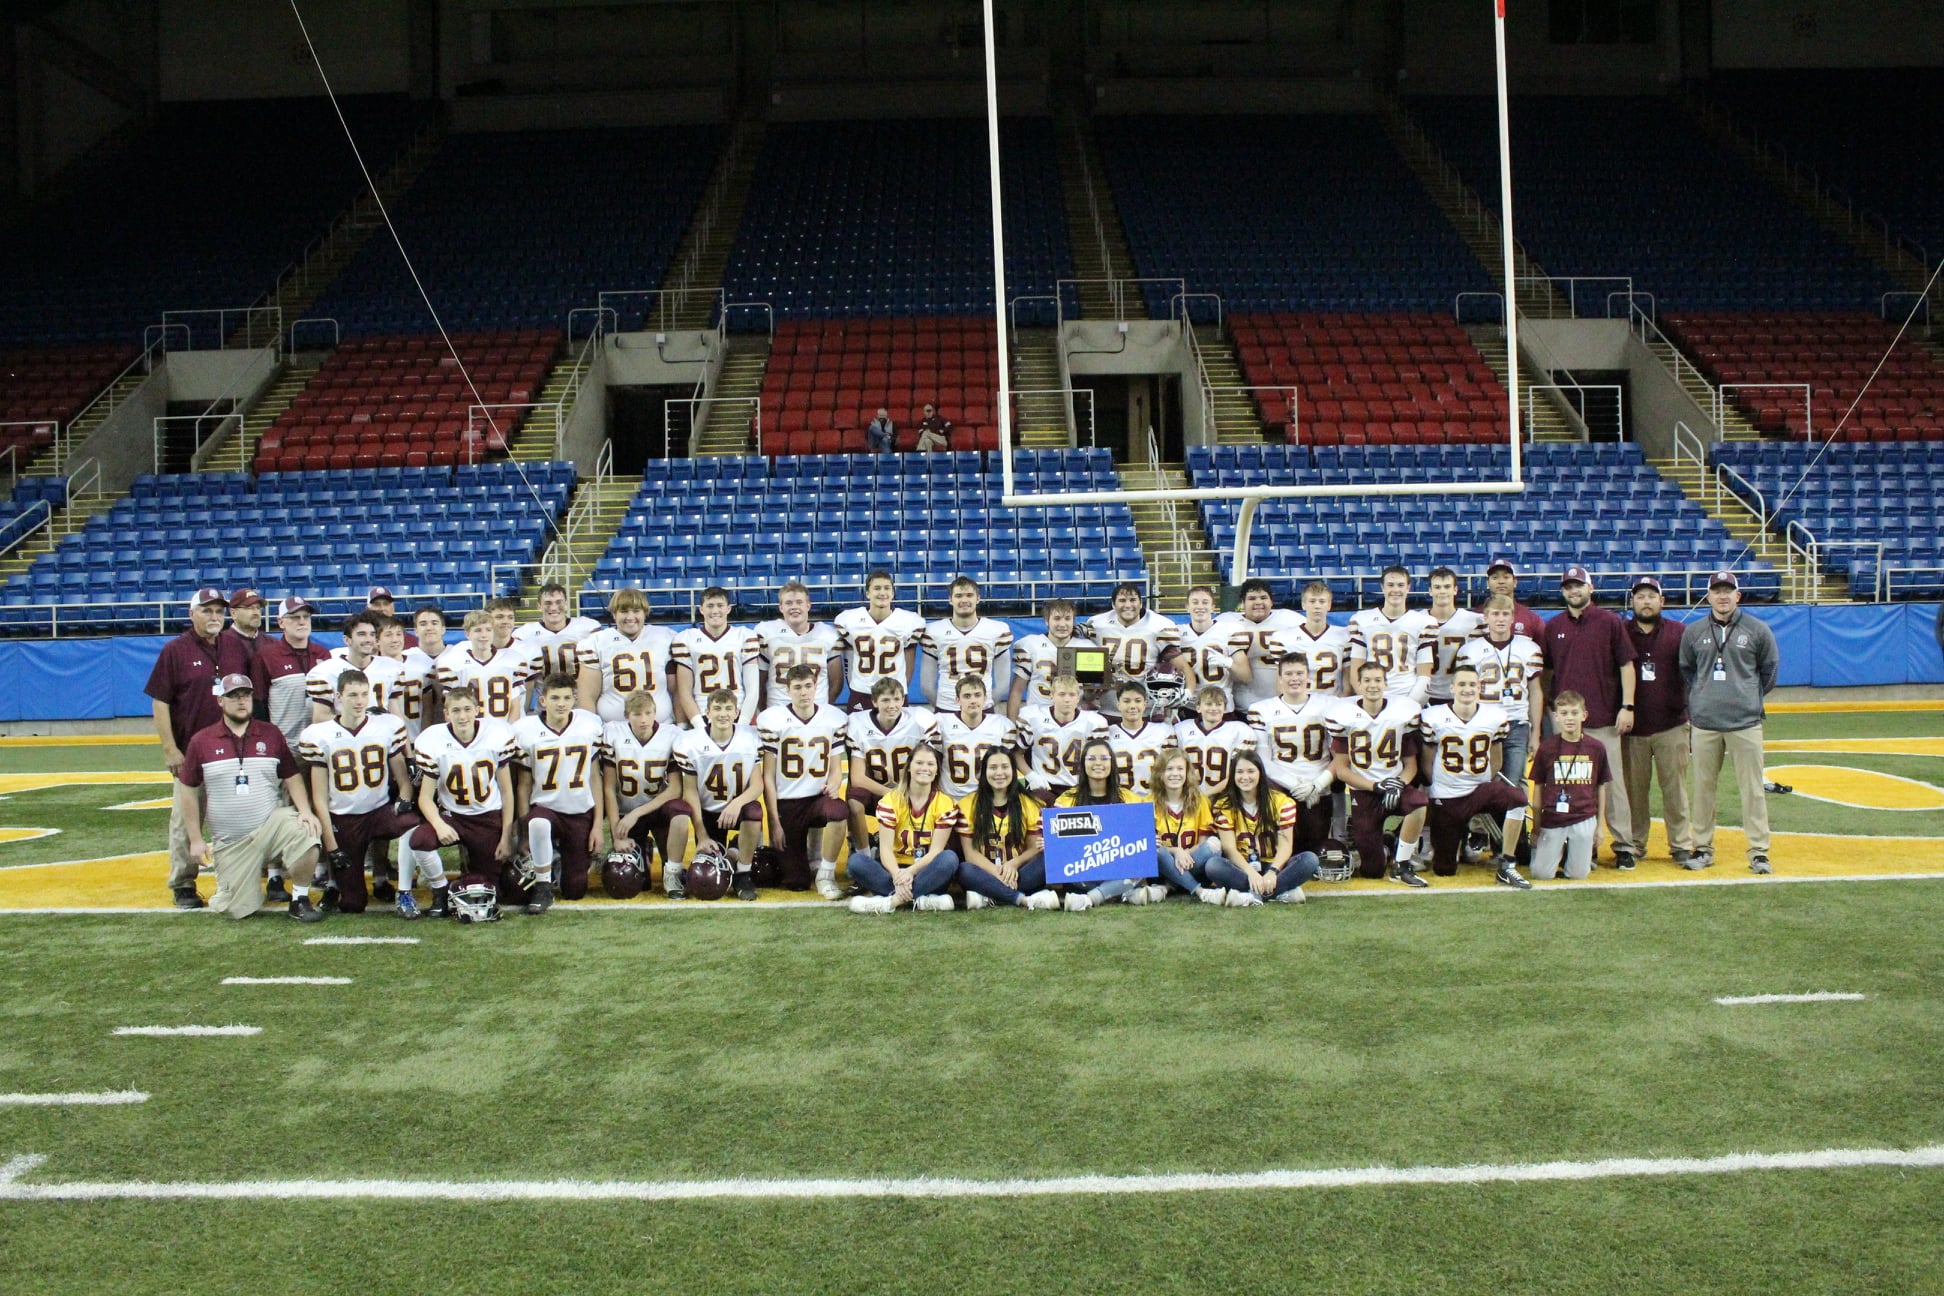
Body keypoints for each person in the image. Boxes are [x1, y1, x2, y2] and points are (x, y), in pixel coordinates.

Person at [174, 673, 325, 921]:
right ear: (220, 701)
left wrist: (306, 812)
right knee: (237, 909)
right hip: (231, 841)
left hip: (270, 827)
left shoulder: (270, 734)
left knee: (306, 831)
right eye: (233, 696)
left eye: (245, 695)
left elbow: (291, 776)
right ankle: (238, 886)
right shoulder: (202, 741)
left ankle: (300, 899)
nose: (241, 701)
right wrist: (195, 839)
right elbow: (188, 790)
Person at [299, 669, 442, 918]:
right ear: (338, 697)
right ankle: (340, 887)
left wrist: (404, 801)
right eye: (352, 695)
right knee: (353, 904)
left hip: (378, 812)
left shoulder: (386, 727)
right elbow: (319, 799)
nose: (359, 701)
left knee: (411, 824)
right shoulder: (319, 735)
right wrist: (332, 848)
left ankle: (405, 892)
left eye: (364, 694)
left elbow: (403, 780)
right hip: (344, 820)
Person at [148, 588, 250, 908]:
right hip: (191, 749)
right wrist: (169, 748)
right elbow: (160, 702)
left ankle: (240, 875)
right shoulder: (175, 650)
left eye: (219, 611)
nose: (214, 617)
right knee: (185, 819)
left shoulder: (235, 646)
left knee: (236, 816)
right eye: (206, 611)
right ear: (191, 615)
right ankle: (183, 883)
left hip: (233, 749)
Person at [1679, 570, 1780, 874]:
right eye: (1716, 591)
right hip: (1705, 723)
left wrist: (1747, 695)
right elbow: (1687, 669)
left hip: (1745, 723)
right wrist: (1703, 697)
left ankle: (1759, 851)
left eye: (1728, 591)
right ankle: (1703, 847)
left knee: (1752, 790)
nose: (1722, 596)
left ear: (1738, 596)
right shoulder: (1694, 632)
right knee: (1703, 789)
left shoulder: (1757, 630)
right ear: (1708, 596)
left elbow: (1769, 670)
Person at [1541, 564, 1638, 865]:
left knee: (1612, 785)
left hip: (1604, 720)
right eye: (1568, 586)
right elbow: (1547, 671)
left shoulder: (1610, 622)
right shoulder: (1554, 626)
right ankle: (1581, 846)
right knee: (1569, 786)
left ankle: (1623, 846)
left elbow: (1626, 666)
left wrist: (1628, 705)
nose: (1574, 590)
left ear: (1590, 588)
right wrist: (1550, 707)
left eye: (1578, 585)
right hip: (1567, 725)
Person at [1418, 664, 1530, 887]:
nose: (1467, 689)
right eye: (1461, 684)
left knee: (1519, 799)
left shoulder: (1494, 716)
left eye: (1471, 684)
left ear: (1479, 687)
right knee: (1444, 869)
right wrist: (1440, 787)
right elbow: (1427, 761)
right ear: (1452, 688)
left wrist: (1484, 785)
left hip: (1480, 789)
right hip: (1448, 795)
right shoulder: (1434, 716)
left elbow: (1496, 759)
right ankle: (1458, 846)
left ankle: (1507, 864)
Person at [408, 684, 518, 897]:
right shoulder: (433, 740)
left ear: (477, 710)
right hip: (453, 816)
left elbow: (507, 792)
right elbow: (425, 798)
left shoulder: (496, 734)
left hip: (487, 817)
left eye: (467, 709)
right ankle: (439, 892)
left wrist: (506, 836)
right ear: (446, 714)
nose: (462, 716)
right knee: (420, 840)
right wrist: (439, 825)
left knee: (489, 891)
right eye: (456, 710)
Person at [509, 673, 607, 911]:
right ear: (542, 701)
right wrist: (523, 832)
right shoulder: (526, 730)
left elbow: (595, 778)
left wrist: (597, 826)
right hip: (545, 808)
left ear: (574, 699)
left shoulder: (588, 726)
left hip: (578, 811)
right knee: (539, 824)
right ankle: (543, 885)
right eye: (555, 698)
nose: (561, 703)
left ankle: (560, 860)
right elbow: (524, 785)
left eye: (566, 697)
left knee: (575, 891)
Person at [1329, 661, 1429, 886]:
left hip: (1394, 785)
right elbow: (1342, 770)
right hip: (1364, 792)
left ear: (1385, 683)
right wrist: (1374, 786)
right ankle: (1387, 842)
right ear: (1359, 684)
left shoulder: (1400, 713)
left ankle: (1402, 864)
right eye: (1367, 680)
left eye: (1377, 680)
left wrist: (1398, 784)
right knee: (1372, 870)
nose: (1372, 685)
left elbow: (1410, 765)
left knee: (1419, 803)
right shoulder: (1344, 716)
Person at [758, 663, 851, 897]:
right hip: (787, 803)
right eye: (797, 687)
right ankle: (804, 860)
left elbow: (836, 766)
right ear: (787, 690)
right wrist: (774, 822)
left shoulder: (832, 718)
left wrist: (834, 782)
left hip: (817, 799)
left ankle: (826, 873)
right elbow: (767, 776)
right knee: (796, 882)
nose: (803, 692)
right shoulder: (773, 719)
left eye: (808, 686)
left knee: (839, 812)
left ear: (815, 686)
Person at [1621, 576, 1695, 866]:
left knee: (1674, 789)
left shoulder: (1680, 632)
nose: (1646, 601)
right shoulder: (1621, 632)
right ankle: (1635, 845)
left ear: (1662, 601)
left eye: (1652, 596)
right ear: (1633, 602)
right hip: (1632, 730)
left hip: (1672, 725)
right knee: (1634, 793)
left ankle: (1680, 844)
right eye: (1640, 596)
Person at [847, 744, 961, 913]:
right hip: (895, 869)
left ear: (937, 770)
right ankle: (921, 899)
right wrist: (898, 875)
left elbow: (936, 851)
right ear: (909, 768)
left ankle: (891, 901)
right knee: (856, 861)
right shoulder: (891, 800)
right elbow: (885, 850)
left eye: (930, 764)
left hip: (926, 869)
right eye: (919, 763)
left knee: (949, 859)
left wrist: (910, 872)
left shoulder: (945, 803)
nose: (925, 768)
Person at [602, 688, 694, 897]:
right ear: (627, 716)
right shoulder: (613, 733)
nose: (643, 720)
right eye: (637, 714)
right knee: (630, 883)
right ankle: (642, 846)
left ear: (655, 712)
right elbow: (608, 787)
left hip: (657, 810)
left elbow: (675, 789)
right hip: (627, 813)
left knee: (680, 810)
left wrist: (638, 813)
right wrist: (616, 835)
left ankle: (673, 872)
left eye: (648, 713)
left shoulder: (671, 735)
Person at [676, 689, 768, 896]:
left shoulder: (749, 738)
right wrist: (701, 834)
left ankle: (743, 874)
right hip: (709, 812)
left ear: (737, 713)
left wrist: (736, 804)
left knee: (754, 811)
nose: (723, 714)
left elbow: (757, 785)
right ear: (707, 713)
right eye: (717, 709)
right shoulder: (691, 743)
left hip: (737, 811)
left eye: (728, 709)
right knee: (711, 867)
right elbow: (689, 792)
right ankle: (734, 851)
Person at [1247, 654, 1338, 857]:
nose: (1293, 678)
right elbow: (1263, 758)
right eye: (1288, 674)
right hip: (1281, 785)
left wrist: (1317, 785)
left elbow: (1339, 757)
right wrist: (1293, 783)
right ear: (1279, 678)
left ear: (1308, 677)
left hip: (1318, 785)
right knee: (1282, 850)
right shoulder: (1262, 710)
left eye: (1299, 673)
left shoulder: (1329, 705)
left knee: (1313, 851)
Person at [1050, 737, 1148, 912]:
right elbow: (1060, 849)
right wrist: (1048, 843)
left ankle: (1091, 898)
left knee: (1144, 858)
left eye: (1104, 758)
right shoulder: (1066, 801)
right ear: (1082, 764)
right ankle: (1118, 893)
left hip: (1120, 869)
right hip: (1083, 873)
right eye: (1092, 758)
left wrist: (1150, 840)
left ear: (1112, 763)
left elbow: (1142, 840)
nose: (1098, 763)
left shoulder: (1130, 799)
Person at [955, 747, 1059, 910]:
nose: (999, 773)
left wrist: (1013, 864)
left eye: (1005, 767)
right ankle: (1023, 899)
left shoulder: (1029, 803)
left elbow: (1034, 848)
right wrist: (997, 873)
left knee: (1050, 859)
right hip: (986, 872)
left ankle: (992, 896)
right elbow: (970, 854)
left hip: (1019, 873)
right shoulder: (968, 805)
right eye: (993, 767)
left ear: (1013, 770)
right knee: (964, 870)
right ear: (984, 772)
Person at [1208, 750, 1316, 906]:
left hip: (1274, 865)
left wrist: (1273, 872)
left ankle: (1251, 896)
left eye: (1251, 771)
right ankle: (1280, 893)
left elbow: (1286, 845)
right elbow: (1229, 849)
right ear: (1232, 775)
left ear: (1260, 773)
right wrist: (1251, 873)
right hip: (1242, 867)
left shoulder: (1281, 802)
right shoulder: (1224, 806)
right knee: (1213, 865)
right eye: (1239, 772)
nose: (1245, 777)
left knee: (1309, 860)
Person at [1527, 691, 1613, 881]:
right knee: (1541, 874)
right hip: (1553, 818)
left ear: (1584, 715)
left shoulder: (1596, 748)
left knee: (1578, 875)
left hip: (1583, 816)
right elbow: (1539, 787)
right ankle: (1549, 852)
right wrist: (1536, 826)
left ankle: (1571, 855)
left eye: (1574, 713)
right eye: (1564, 713)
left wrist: (1599, 827)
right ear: (1556, 716)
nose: (1569, 718)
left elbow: (1601, 787)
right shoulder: (1547, 748)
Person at [846, 677, 937, 850]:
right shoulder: (858, 723)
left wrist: (907, 791)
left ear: (903, 700)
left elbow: (927, 767)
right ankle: (863, 853)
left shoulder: (919, 720)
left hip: (909, 789)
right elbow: (857, 778)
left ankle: (910, 844)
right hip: (875, 789)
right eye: (885, 700)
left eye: (896, 699)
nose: (892, 705)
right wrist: (892, 793)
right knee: (854, 803)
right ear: (874, 702)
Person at [579, 588, 677, 725]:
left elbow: (678, 690)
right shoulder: (597, 642)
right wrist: (591, 729)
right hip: (613, 729)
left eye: (636, 611)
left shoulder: (666, 637)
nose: (630, 617)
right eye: (624, 611)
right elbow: (587, 695)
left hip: (660, 728)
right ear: (614, 614)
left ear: (645, 613)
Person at [921, 576, 1013, 715]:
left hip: (983, 708)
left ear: (978, 598)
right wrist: (944, 705)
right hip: (947, 707)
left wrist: (983, 703)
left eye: (969, 595)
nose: (964, 600)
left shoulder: (996, 630)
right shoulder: (934, 631)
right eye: (958, 596)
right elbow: (926, 685)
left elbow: (1003, 685)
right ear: (950, 600)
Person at [834, 570, 925, 710]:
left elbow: (909, 657)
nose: (882, 592)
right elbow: (848, 656)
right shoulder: (848, 620)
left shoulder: (910, 621)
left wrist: (901, 687)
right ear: (867, 593)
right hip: (862, 690)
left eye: (887, 588)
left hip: (894, 692)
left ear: (893, 593)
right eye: (877, 588)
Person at [671, 586, 763, 724]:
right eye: (710, 606)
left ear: (728, 608)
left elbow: (752, 689)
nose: (715, 611)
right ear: (701, 609)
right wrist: (698, 725)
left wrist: (743, 722)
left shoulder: (744, 636)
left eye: (720, 605)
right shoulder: (686, 638)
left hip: (736, 711)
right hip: (703, 711)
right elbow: (684, 692)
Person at [1148, 748, 1225, 905]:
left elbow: (1203, 842)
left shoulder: (1200, 800)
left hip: (1193, 861)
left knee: (1213, 845)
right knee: (1154, 849)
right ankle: (1200, 891)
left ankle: (1170, 886)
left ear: (1187, 772)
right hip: (1164, 864)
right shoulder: (1148, 803)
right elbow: (1153, 845)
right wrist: (1176, 851)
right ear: (1159, 773)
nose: (1175, 774)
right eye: (1169, 769)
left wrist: (1185, 853)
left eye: (1180, 769)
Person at [252, 596, 332, 748]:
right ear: (281, 622)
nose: (302, 621)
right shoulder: (267, 656)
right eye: (295, 617)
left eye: (306, 617)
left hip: (321, 742)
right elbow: (259, 704)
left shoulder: (323, 654)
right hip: (286, 745)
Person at [1347, 566, 1434, 703]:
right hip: (1372, 694)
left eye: (1400, 585)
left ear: (1408, 588)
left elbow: (1425, 675)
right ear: (1383, 587)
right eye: (1390, 585)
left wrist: (1410, 705)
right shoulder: (1362, 620)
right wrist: (1370, 702)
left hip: (1407, 693)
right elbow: (1355, 673)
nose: (1395, 590)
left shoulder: (1423, 623)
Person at [435, 609, 535, 724]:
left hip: (503, 728)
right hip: (469, 731)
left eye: (488, 630)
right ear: (467, 634)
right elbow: (452, 707)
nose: (484, 635)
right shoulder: (453, 662)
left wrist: (508, 731)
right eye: (478, 630)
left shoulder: (512, 660)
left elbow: (515, 706)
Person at [755, 581, 844, 709]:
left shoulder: (827, 634)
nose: (794, 607)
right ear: (781, 607)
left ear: (808, 605)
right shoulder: (767, 632)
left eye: (799, 602)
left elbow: (836, 682)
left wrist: (823, 709)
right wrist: (765, 710)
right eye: (788, 603)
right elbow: (759, 682)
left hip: (816, 708)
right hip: (778, 708)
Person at [1219, 578, 1303, 711]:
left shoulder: (1290, 619)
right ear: (1242, 602)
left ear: (1271, 601)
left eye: (1263, 597)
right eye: (1252, 598)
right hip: (1242, 703)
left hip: (1281, 701)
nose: (1258, 602)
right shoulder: (1226, 622)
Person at [1016, 673, 1106, 799]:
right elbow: (1016, 753)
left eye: (1072, 694)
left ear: (1078, 697)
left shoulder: (1093, 722)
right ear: (1051, 696)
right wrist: (1031, 776)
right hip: (1045, 787)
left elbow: (1102, 761)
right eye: (1062, 694)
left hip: (1079, 789)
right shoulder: (1034, 717)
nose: (1067, 699)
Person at [514, 583, 602, 706]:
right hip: (546, 707)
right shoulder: (525, 634)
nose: (554, 607)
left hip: (581, 704)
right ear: (539, 606)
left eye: (558, 602)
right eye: (548, 603)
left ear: (566, 604)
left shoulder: (587, 628)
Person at [308, 612, 404, 724]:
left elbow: (395, 714)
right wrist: (362, 723)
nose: (368, 639)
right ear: (347, 640)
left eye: (372, 634)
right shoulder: (326, 671)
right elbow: (320, 718)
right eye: (362, 634)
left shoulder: (391, 667)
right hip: (344, 737)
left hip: (381, 737)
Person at [935, 675, 1017, 803]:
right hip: (950, 799)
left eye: (977, 695)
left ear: (985, 698)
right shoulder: (941, 723)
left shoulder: (1002, 725)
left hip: (987, 800)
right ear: (957, 700)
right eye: (967, 696)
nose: (973, 700)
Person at [1009, 597, 1094, 717]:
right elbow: (1017, 691)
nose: (1062, 624)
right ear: (1046, 620)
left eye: (1067, 619)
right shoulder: (1031, 645)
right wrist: (1011, 724)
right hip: (1037, 716)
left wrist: (1091, 693)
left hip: (1073, 718)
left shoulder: (1086, 647)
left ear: (1073, 621)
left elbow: (1089, 696)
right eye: (1057, 618)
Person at [1266, 580, 1351, 698]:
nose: (1317, 606)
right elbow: (1281, 684)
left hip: (1331, 702)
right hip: (1299, 704)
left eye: (1322, 601)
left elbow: (1348, 685)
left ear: (1329, 605)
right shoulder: (1284, 638)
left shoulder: (1344, 636)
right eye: (1312, 601)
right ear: (1303, 604)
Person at [1088, 582, 1180, 689]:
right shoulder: (1097, 624)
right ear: (1113, 604)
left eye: (1133, 600)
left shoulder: (1160, 625)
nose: (1128, 605)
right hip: (1108, 693)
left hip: (1145, 695)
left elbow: (1177, 663)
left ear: (1141, 603)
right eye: (1122, 600)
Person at [1176, 683, 1254, 800]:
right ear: (1198, 707)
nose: (1214, 708)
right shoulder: (1181, 729)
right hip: (1188, 796)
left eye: (1219, 704)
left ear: (1225, 708)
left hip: (1225, 797)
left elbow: (1237, 772)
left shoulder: (1239, 731)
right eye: (1208, 704)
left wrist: (1205, 796)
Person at [1175, 585, 1249, 707]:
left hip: (1220, 706)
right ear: (1187, 607)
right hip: (1189, 705)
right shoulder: (1178, 633)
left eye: (1205, 602)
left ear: (1213, 607)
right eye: (1195, 602)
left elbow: (1245, 676)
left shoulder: (1229, 630)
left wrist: (1228, 663)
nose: (1200, 607)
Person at [1421, 567, 1484, 706]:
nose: (1442, 591)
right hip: (1424, 694)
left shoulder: (1475, 621)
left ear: (1455, 590)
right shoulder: (1416, 620)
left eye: (1447, 586)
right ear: (1430, 591)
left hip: (1460, 693)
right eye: (1437, 587)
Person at [1103, 679, 1176, 798]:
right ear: (1118, 705)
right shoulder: (1108, 733)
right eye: (1126, 701)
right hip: (1119, 802)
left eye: (1137, 701)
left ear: (1145, 704)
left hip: (1155, 800)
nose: (1132, 706)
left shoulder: (1163, 731)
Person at [1475, 558, 1547, 644]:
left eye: (1506, 577)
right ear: (1487, 583)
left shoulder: (1532, 620)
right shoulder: (1475, 617)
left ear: (1515, 582)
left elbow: (1543, 653)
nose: (1501, 582)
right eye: (1495, 577)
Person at [218, 587, 265, 670]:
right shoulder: (219, 643)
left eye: (258, 608)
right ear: (233, 613)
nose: (256, 612)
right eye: (249, 608)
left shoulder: (271, 643)